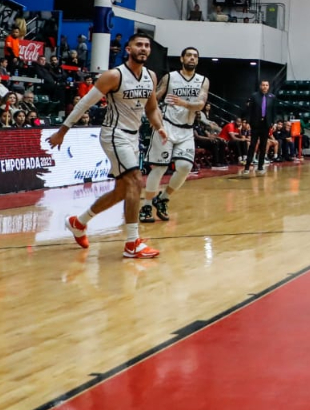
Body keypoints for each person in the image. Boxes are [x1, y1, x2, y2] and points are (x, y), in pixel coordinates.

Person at [50, 32, 168, 259]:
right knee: (135, 181)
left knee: (122, 191)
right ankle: (132, 243)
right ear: (128, 49)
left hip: (132, 137)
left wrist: (159, 126)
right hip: (114, 134)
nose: (143, 48)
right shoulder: (114, 76)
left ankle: (78, 222)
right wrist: (62, 131)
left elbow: (151, 108)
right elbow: (84, 103)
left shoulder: (151, 77)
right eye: (139, 45)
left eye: (147, 45)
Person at [141, 47, 210, 223]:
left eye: (195, 56)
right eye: (189, 55)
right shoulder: (170, 77)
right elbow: (154, 98)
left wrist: (184, 103)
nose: (192, 58)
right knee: (160, 168)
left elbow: (200, 104)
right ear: (182, 58)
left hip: (187, 130)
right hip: (167, 126)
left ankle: (162, 198)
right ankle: (147, 205)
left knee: (185, 167)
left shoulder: (203, 81)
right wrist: (152, 114)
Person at [241, 80, 277, 176]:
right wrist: (248, 122)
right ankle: (247, 166)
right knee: (252, 145)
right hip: (255, 123)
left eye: (266, 85)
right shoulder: (254, 96)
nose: (265, 87)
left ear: (269, 86)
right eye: (263, 85)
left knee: (263, 145)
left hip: (266, 124)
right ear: (260, 86)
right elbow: (249, 110)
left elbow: (274, 111)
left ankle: (260, 166)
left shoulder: (272, 97)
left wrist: (274, 123)